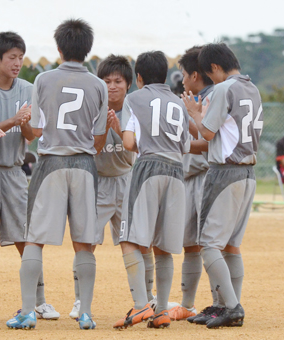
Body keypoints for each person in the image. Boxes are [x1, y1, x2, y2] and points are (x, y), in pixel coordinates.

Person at [6, 18, 108, 330]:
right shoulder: (99, 85)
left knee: (35, 239)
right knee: (84, 242)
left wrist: (23, 124)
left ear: (59, 48)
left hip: (50, 162)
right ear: (87, 50)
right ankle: (86, 312)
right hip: (84, 166)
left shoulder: (44, 80)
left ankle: (27, 311)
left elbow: (35, 130)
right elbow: (100, 138)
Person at [0, 31, 58, 320]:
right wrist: (14, 120)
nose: (17, 63)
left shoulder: (29, 89)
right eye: (12, 58)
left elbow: (32, 134)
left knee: (26, 237)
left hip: (14, 172)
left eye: (21, 57)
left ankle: (39, 301)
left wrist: (24, 125)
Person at [182, 42, 263, 328]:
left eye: (210, 72)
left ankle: (231, 305)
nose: (210, 78)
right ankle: (222, 305)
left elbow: (206, 131)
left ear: (215, 67)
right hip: (248, 173)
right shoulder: (252, 88)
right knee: (230, 245)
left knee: (209, 243)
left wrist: (193, 112)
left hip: (225, 172)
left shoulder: (223, 89)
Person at [116, 51, 190, 330]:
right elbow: (184, 147)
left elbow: (128, 142)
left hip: (148, 167)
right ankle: (161, 311)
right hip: (176, 172)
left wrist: (139, 143)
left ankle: (140, 306)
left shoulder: (134, 98)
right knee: (164, 246)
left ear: (139, 77)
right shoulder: (178, 101)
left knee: (128, 238)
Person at [68, 54, 138, 319]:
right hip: (97, 182)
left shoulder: (135, 109)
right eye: (106, 81)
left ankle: (145, 297)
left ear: (129, 84)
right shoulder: (91, 107)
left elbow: (139, 147)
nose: (112, 86)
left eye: (118, 81)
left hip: (126, 180)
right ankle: (79, 300)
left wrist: (119, 129)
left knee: (135, 241)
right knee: (87, 242)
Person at [167, 46, 214, 322]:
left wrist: (182, 145)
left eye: (184, 74)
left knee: (210, 243)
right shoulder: (188, 99)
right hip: (187, 179)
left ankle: (223, 301)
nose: (182, 79)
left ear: (195, 75)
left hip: (206, 177)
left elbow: (209, 141)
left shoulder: (208, 100)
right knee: (190, 244)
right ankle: (188, 303)